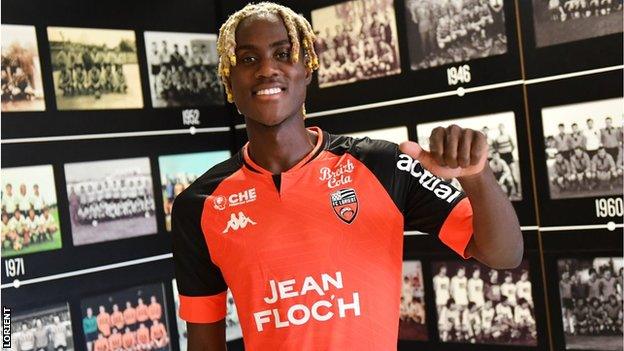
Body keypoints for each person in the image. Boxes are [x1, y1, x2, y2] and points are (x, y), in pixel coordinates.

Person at [172, 3, 522, 350]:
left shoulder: (382, 164)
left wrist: (476, 176)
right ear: (228, 78)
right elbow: (204, 343)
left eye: (283, 53)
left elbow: (505, 254)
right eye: (248, 59)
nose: (267, 69)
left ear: (306, 68)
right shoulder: (199, 206)